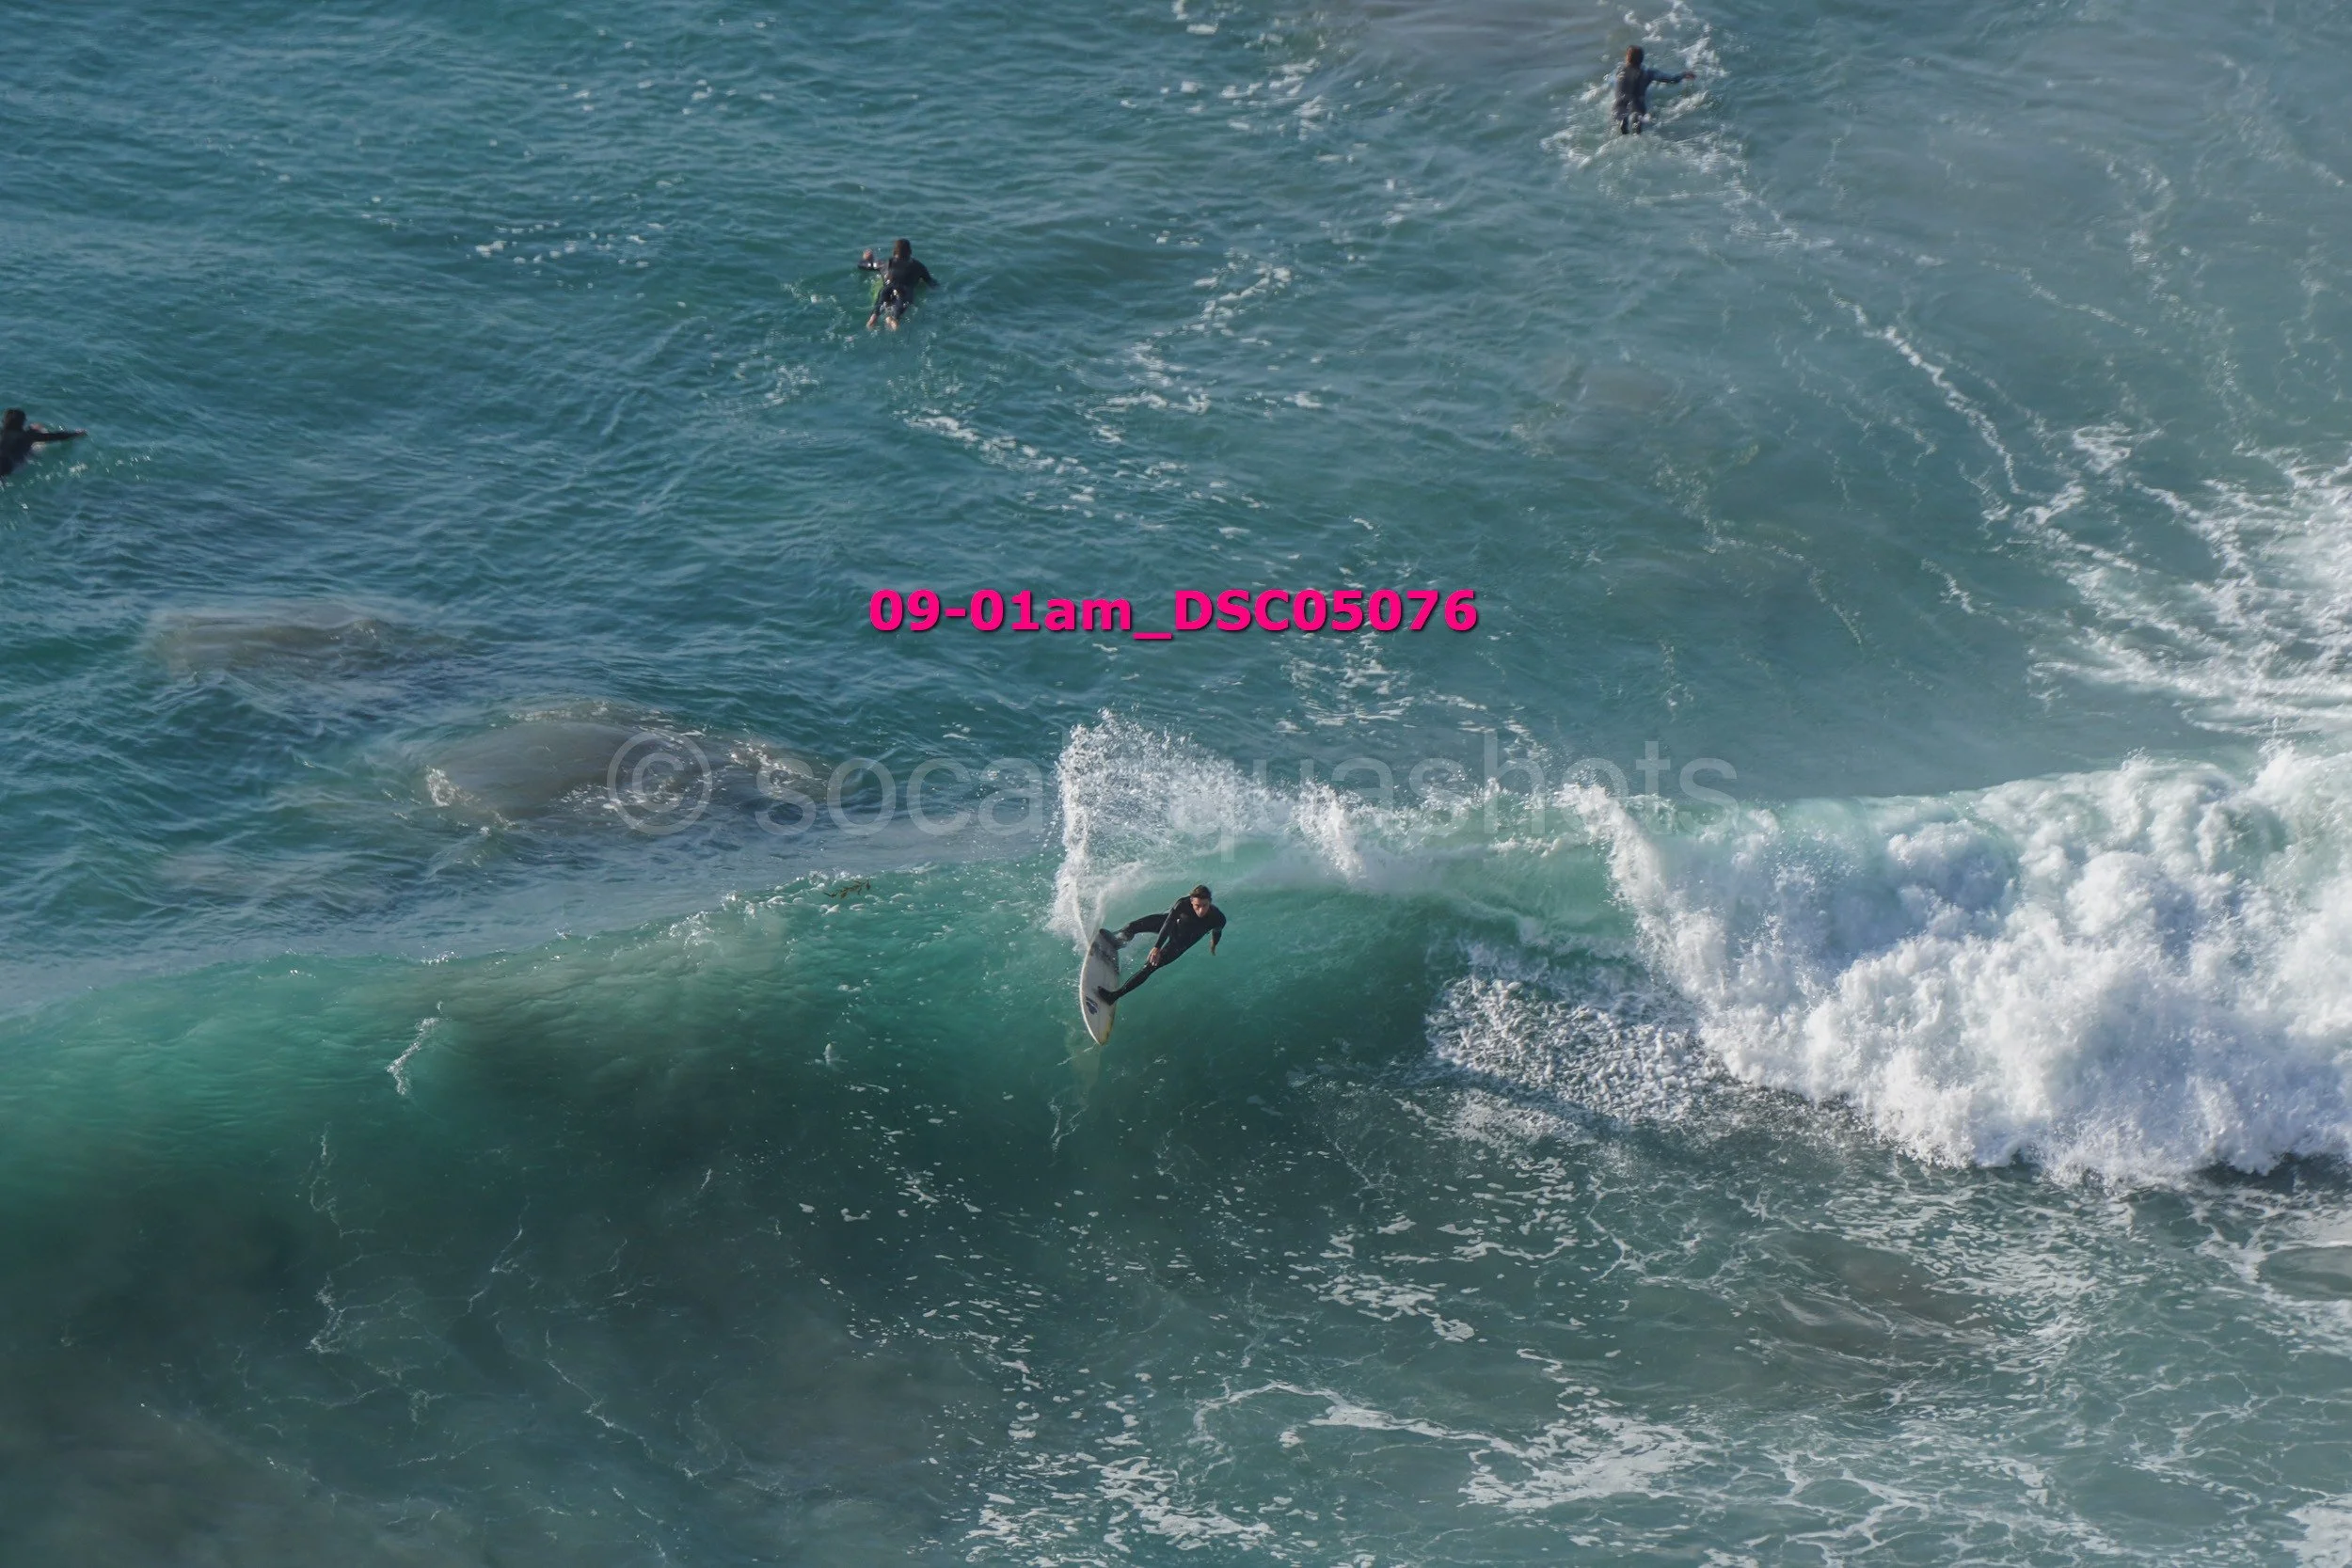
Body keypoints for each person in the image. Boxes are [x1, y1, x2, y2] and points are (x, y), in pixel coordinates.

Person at [1096, 884, 1226, 1005]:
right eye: (1197, 906)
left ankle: (1114, 996)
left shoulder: (1218, 918)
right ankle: (1118, 943)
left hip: (1181, 942)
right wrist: (1157, 947)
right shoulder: (1183, 904)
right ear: (1191, 900)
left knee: (1149, 967)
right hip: (1173, 926)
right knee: (1132, 926)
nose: (1201, 910)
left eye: (1205, 905)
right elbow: (1168, 923)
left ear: (1210, 902)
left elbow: (1217, 932)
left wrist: (1213, 944)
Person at [1612, 45, 1692, 135]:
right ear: (1642, 59)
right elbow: (1673, 79)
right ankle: (1636, 121)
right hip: (1637, 106)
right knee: (1640, 121)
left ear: (1627, 57)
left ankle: (1622, 120)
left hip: (1619, 105)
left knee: (1620, 115)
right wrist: (1683, 75)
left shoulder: (1619, 71)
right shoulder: (1648, 72)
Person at [860, 238, 937, 330]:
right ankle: (892, 319)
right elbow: (931, 282)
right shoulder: (918, 266)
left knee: (879, 306)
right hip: (904, 291)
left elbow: (862, 265)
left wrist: (866, 259)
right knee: (898, 311)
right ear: (910, 252)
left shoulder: (886, 264)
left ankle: (873, 318)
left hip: (887, 288)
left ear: (894, 252)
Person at [0, 408, 87, 477]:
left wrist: (31, 430)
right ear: (22, 423)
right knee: (38, 446)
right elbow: (56, 436)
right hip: (12, 466)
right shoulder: (29, 436)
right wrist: (76, 434)